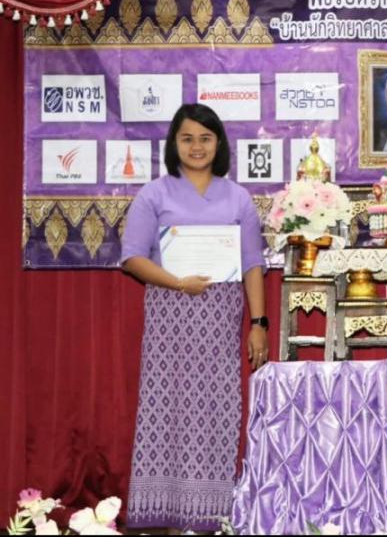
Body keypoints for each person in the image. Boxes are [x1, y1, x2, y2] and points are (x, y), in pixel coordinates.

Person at [120, 103, 269, 532]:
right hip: (170, 318)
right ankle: (169, 517)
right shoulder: (154, 194)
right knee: (167, 413)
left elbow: (252, 265)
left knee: (217, 412)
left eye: (205, 138)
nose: (197, 146)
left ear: (218, 144)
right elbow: (132, 257)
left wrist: (258, 324)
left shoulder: (237, 197)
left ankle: (210, 516)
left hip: (220, 322)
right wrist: (177, 282)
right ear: (174, 144)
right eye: (187, 138)